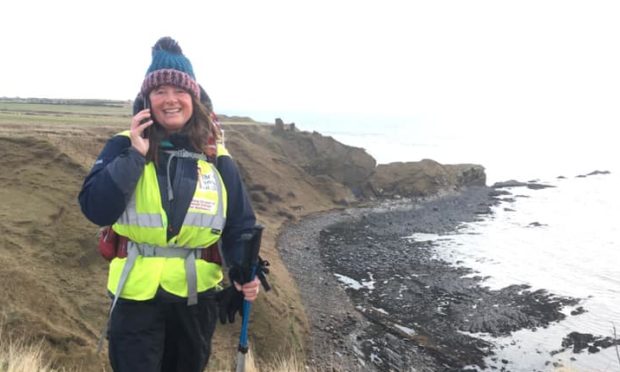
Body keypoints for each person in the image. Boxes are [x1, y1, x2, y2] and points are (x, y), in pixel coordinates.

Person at [79, 36, 261, 372]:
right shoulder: (121, 146)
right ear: (146, 100)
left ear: (194, 97)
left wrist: (243, 271)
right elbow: (95, 209)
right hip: (134, 295)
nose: (170, 99)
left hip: (196, 298)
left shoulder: (216, 157)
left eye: (179, 91)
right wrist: (135, 155)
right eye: (159, 91)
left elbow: (240, 225)